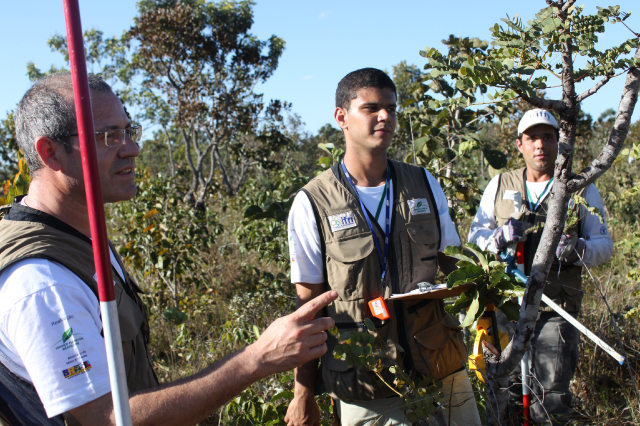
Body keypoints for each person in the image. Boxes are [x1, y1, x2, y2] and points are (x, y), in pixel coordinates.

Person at [0, 72, 338, 426]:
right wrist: (257, 358)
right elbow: (108, 419)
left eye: (129, 131)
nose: (132, 149)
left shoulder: (77, 236)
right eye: (109, 137)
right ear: (50, 152)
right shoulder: (43, 283)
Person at [285, 68, 481, 426]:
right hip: (367, 381)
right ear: (341, 117)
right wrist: (303, 394)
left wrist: (490, 292)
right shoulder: (313, 202)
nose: (385, 117)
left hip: (441, 365)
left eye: (391, 108)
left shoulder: (423, 183)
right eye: (371, 108)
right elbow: (308, 307)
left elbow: (455, 263)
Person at [468, 109, 613, 424]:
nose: (540, 145)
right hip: (506, 309)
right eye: (532, 137)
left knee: (551, 400)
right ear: (519, 144)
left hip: (555, 311)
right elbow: (474, 237)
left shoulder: (580, 188)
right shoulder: (500, 184)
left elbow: (604, 245)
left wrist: (578, 249)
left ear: (559, 142)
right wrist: (498, 238)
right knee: (501, 393)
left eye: (548, 137)